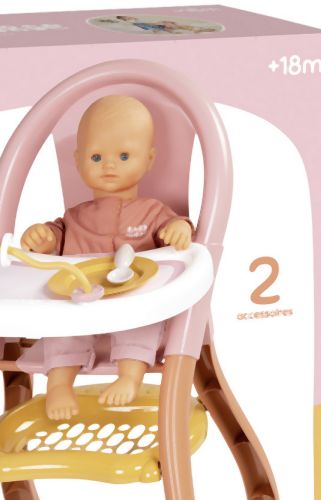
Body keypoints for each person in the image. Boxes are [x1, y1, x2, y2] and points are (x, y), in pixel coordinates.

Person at [19, 95, 193, 419]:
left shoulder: (153, 211)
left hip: (133, 306)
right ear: (78, 161)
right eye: (96, 156)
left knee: (141, 322)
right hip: (80, 304)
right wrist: (41, 238)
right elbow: (54, 239)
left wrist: (179, 228)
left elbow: (176, 228)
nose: (109, 165)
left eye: (124, 155)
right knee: (60, 326)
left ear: (149, 158)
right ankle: (59, 386)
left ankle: (130, 376)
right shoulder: (74, 216)